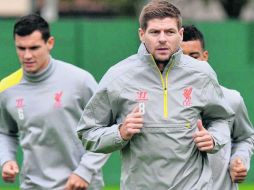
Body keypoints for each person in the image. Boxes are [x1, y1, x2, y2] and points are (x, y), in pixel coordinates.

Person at [77, 1, 234, 189]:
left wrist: (213, 138)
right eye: (154, 32)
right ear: (142, 35)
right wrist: (120, 133)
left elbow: (221, 119)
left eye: (169, 32)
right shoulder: (118, 76)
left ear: (180, 34)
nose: (162, 39)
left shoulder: (202, 73)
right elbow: (87, 133)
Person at [0, 14, 109, 190]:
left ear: (49, 43)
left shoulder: (79, 80)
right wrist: (6, 160)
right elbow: (5, 132)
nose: (27, 55)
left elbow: (106, 129)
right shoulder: (6, 88)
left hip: (80, 185)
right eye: (21, 48)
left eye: (34, 47)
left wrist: (85, 171)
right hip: (32, 185)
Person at [181, 24, 254, 190]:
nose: (188, 64)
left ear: (205, 56)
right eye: (181, 57)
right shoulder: (161, 104)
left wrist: (239, 160)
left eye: (194, 56)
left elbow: (244, 138)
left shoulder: (232, 99)